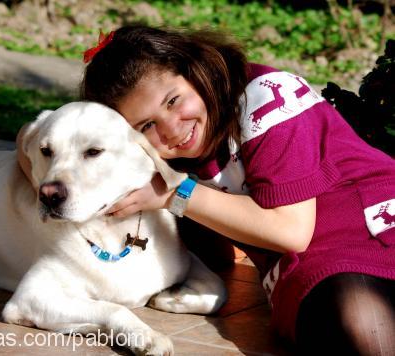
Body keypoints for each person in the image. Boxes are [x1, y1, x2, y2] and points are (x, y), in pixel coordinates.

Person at [76, 25, 395, 355]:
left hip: (373, 223)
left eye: (173, 101)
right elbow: (220, 254)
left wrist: (175, 194)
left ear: (195, 71)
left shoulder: (264, 98)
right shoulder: (184, 155)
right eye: (146, 125)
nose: (171, 128)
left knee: (363, 320)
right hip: (306, 270)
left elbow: (290, 231)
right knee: (349, 323)